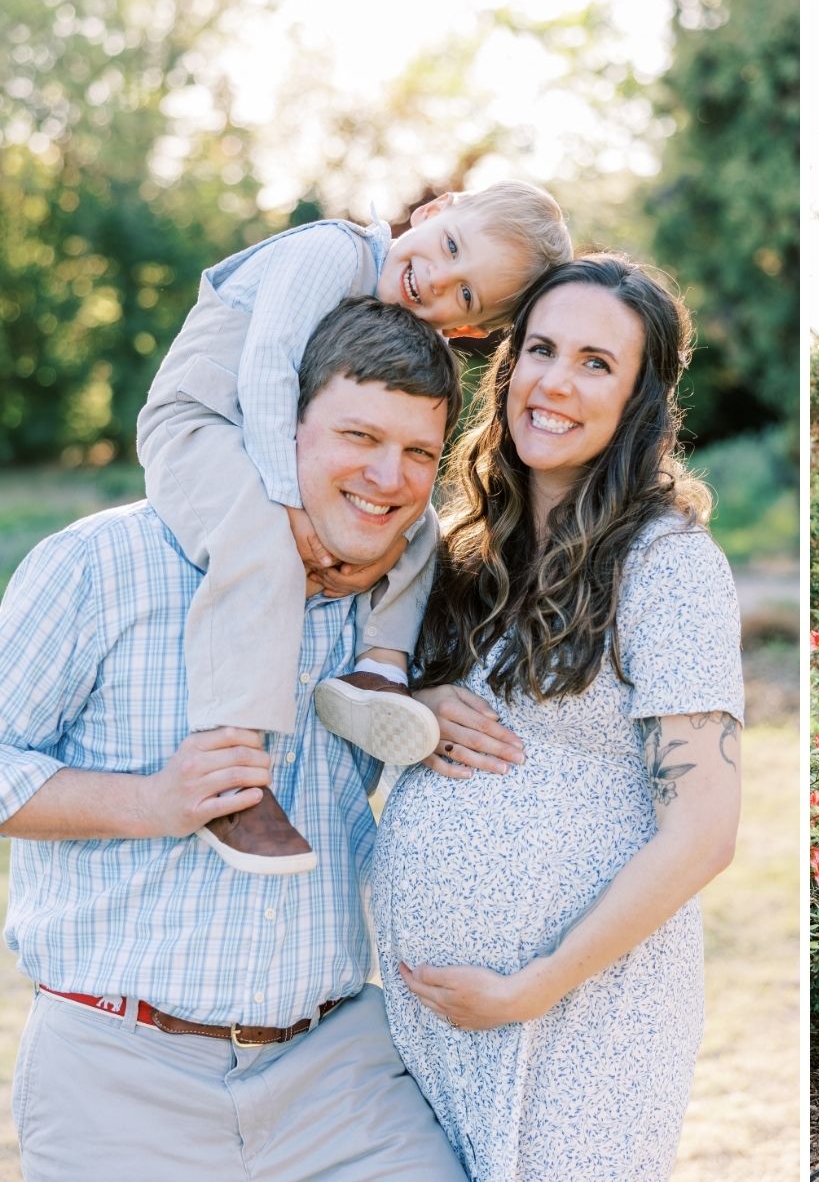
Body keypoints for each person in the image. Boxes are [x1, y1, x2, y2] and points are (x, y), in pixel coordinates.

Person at [0, 298, 470, 1180]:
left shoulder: (397, 600)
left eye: (419, 452)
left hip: (337, 1072)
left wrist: (437, 695)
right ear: (281, 422)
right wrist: (152, 802)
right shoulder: (101, 565)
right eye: (359, 436)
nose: (389, 477)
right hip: (120, 1073)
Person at [368, 254, 744, 1180]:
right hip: (430, 1022)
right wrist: (416, 706)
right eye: (540, 349)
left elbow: (704, 834)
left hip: (580, 1017)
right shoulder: (459, 552)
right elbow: (353, 688)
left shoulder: (666, 563)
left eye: (595, 363)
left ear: (639, 399)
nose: (555, 382)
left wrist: (532, 988)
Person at [136, 181, 572, 874]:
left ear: (468, 330)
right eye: (450, 246)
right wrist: (291, 510)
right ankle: (231, 776)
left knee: (420, 526)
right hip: (201, 420)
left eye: (464, 294)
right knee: (261, 545)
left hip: (267, 442)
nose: (437, 279)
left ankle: (379, 672)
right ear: (433, 211)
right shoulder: (332, 251)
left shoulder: (401, 319)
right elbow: (267, 367)